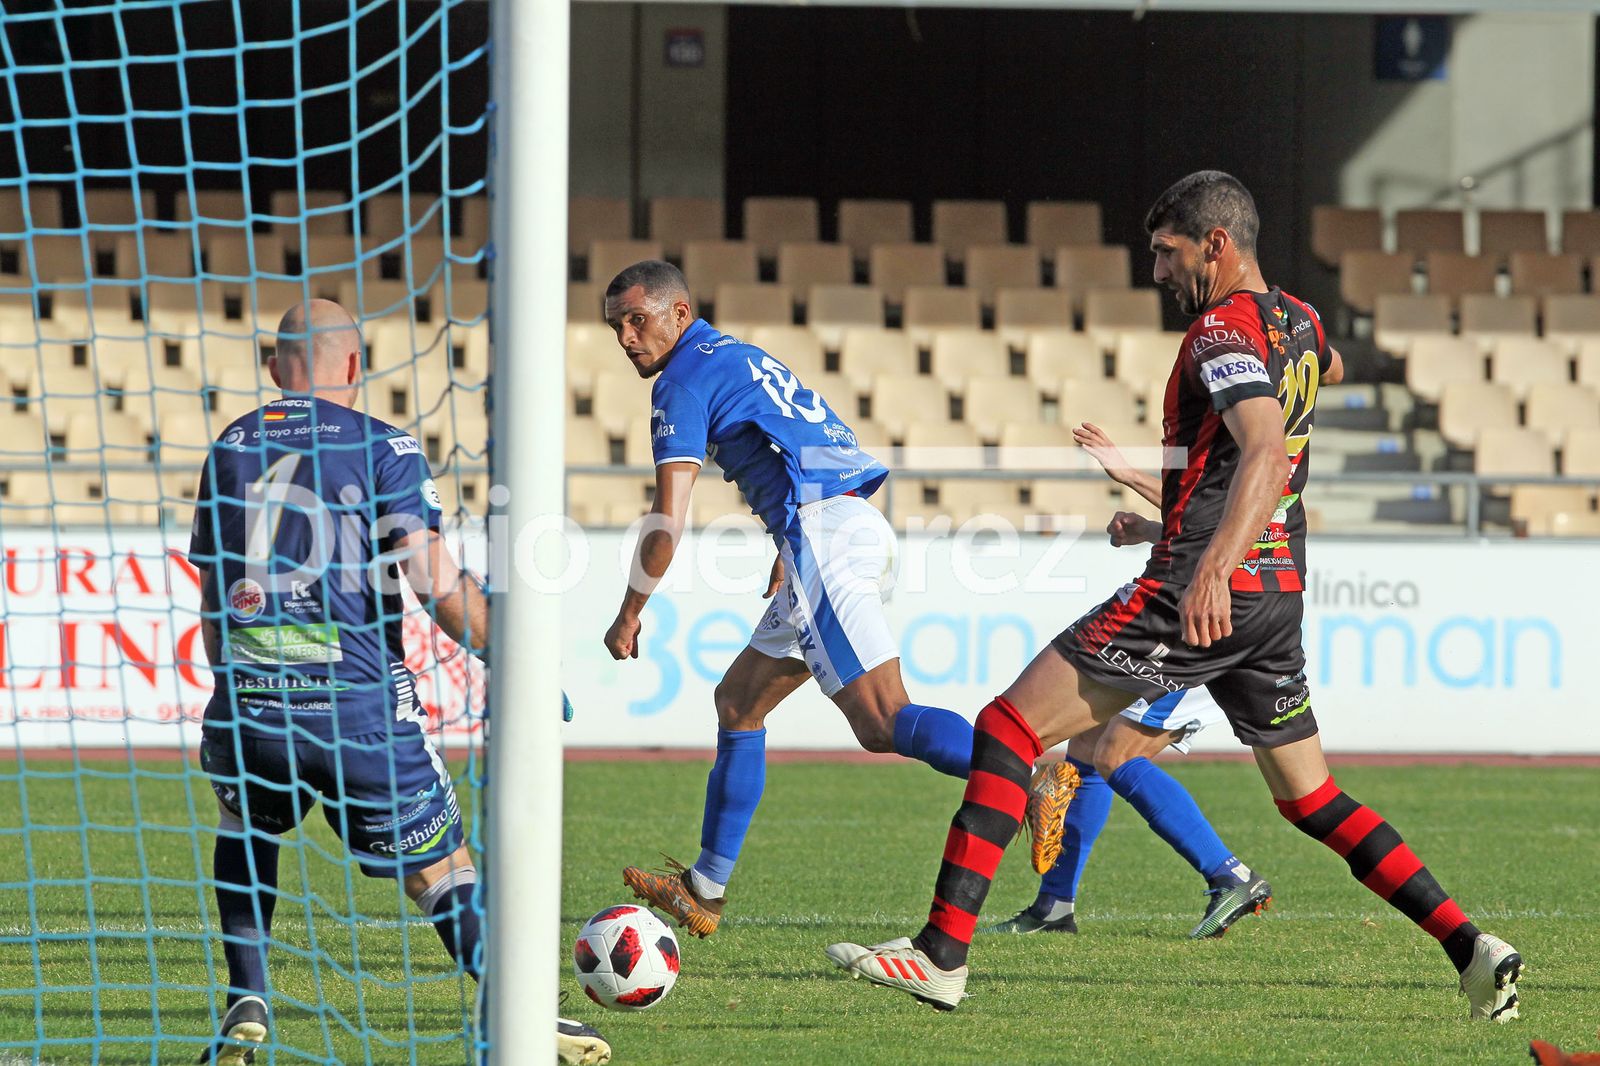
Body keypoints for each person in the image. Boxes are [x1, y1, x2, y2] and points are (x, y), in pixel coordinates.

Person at [827, 171, 1522, 1023]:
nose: (1157, 271)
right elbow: (1324, 368)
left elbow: (1264, 450)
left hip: (1207, 593)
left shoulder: (1220, 329)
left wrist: (1205, 566)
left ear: (1216, 245)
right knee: (1311, 798)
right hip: (1277, 597)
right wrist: (1184, 511)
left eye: (1167, 252)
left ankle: (940, 955)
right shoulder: (1297, 321)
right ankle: (1470, 946)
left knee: (1009, 729)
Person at [600, 260, 1078, 937]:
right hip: (835, 529)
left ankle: (1030, 771)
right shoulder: (735, 355)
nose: (625, 337)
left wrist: (630, 611)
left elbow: (666, 517)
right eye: (615, 325)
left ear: (680, 314)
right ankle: (702, 889)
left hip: (824, 539)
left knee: (882, 721)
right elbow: (804, 446)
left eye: (637, 320)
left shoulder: (681, 379)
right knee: (739, 702)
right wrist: (788, 546)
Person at [189, 300, 609, 1064]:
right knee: (441, 869)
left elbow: (214, 596)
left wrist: (232, 689)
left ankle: (245, 997)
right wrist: (511, 659)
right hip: (356, 707)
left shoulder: (231, 444)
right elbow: (429, 576)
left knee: (246, 825)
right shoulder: (386, 447)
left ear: (275, 366)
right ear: (355, 367)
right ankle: (520, 1016)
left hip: (248, 702)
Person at [987, 425, 1269, 940]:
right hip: (1180, 611)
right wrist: (1147, 530)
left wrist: (1128, 475)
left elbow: (1239, 528)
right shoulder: (1240, 430)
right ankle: (1054, 905)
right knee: (1089, 751)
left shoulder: (1252, 433)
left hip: (1191, 624)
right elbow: (1212, 526)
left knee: (1115, 756)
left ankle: (1228, 873)